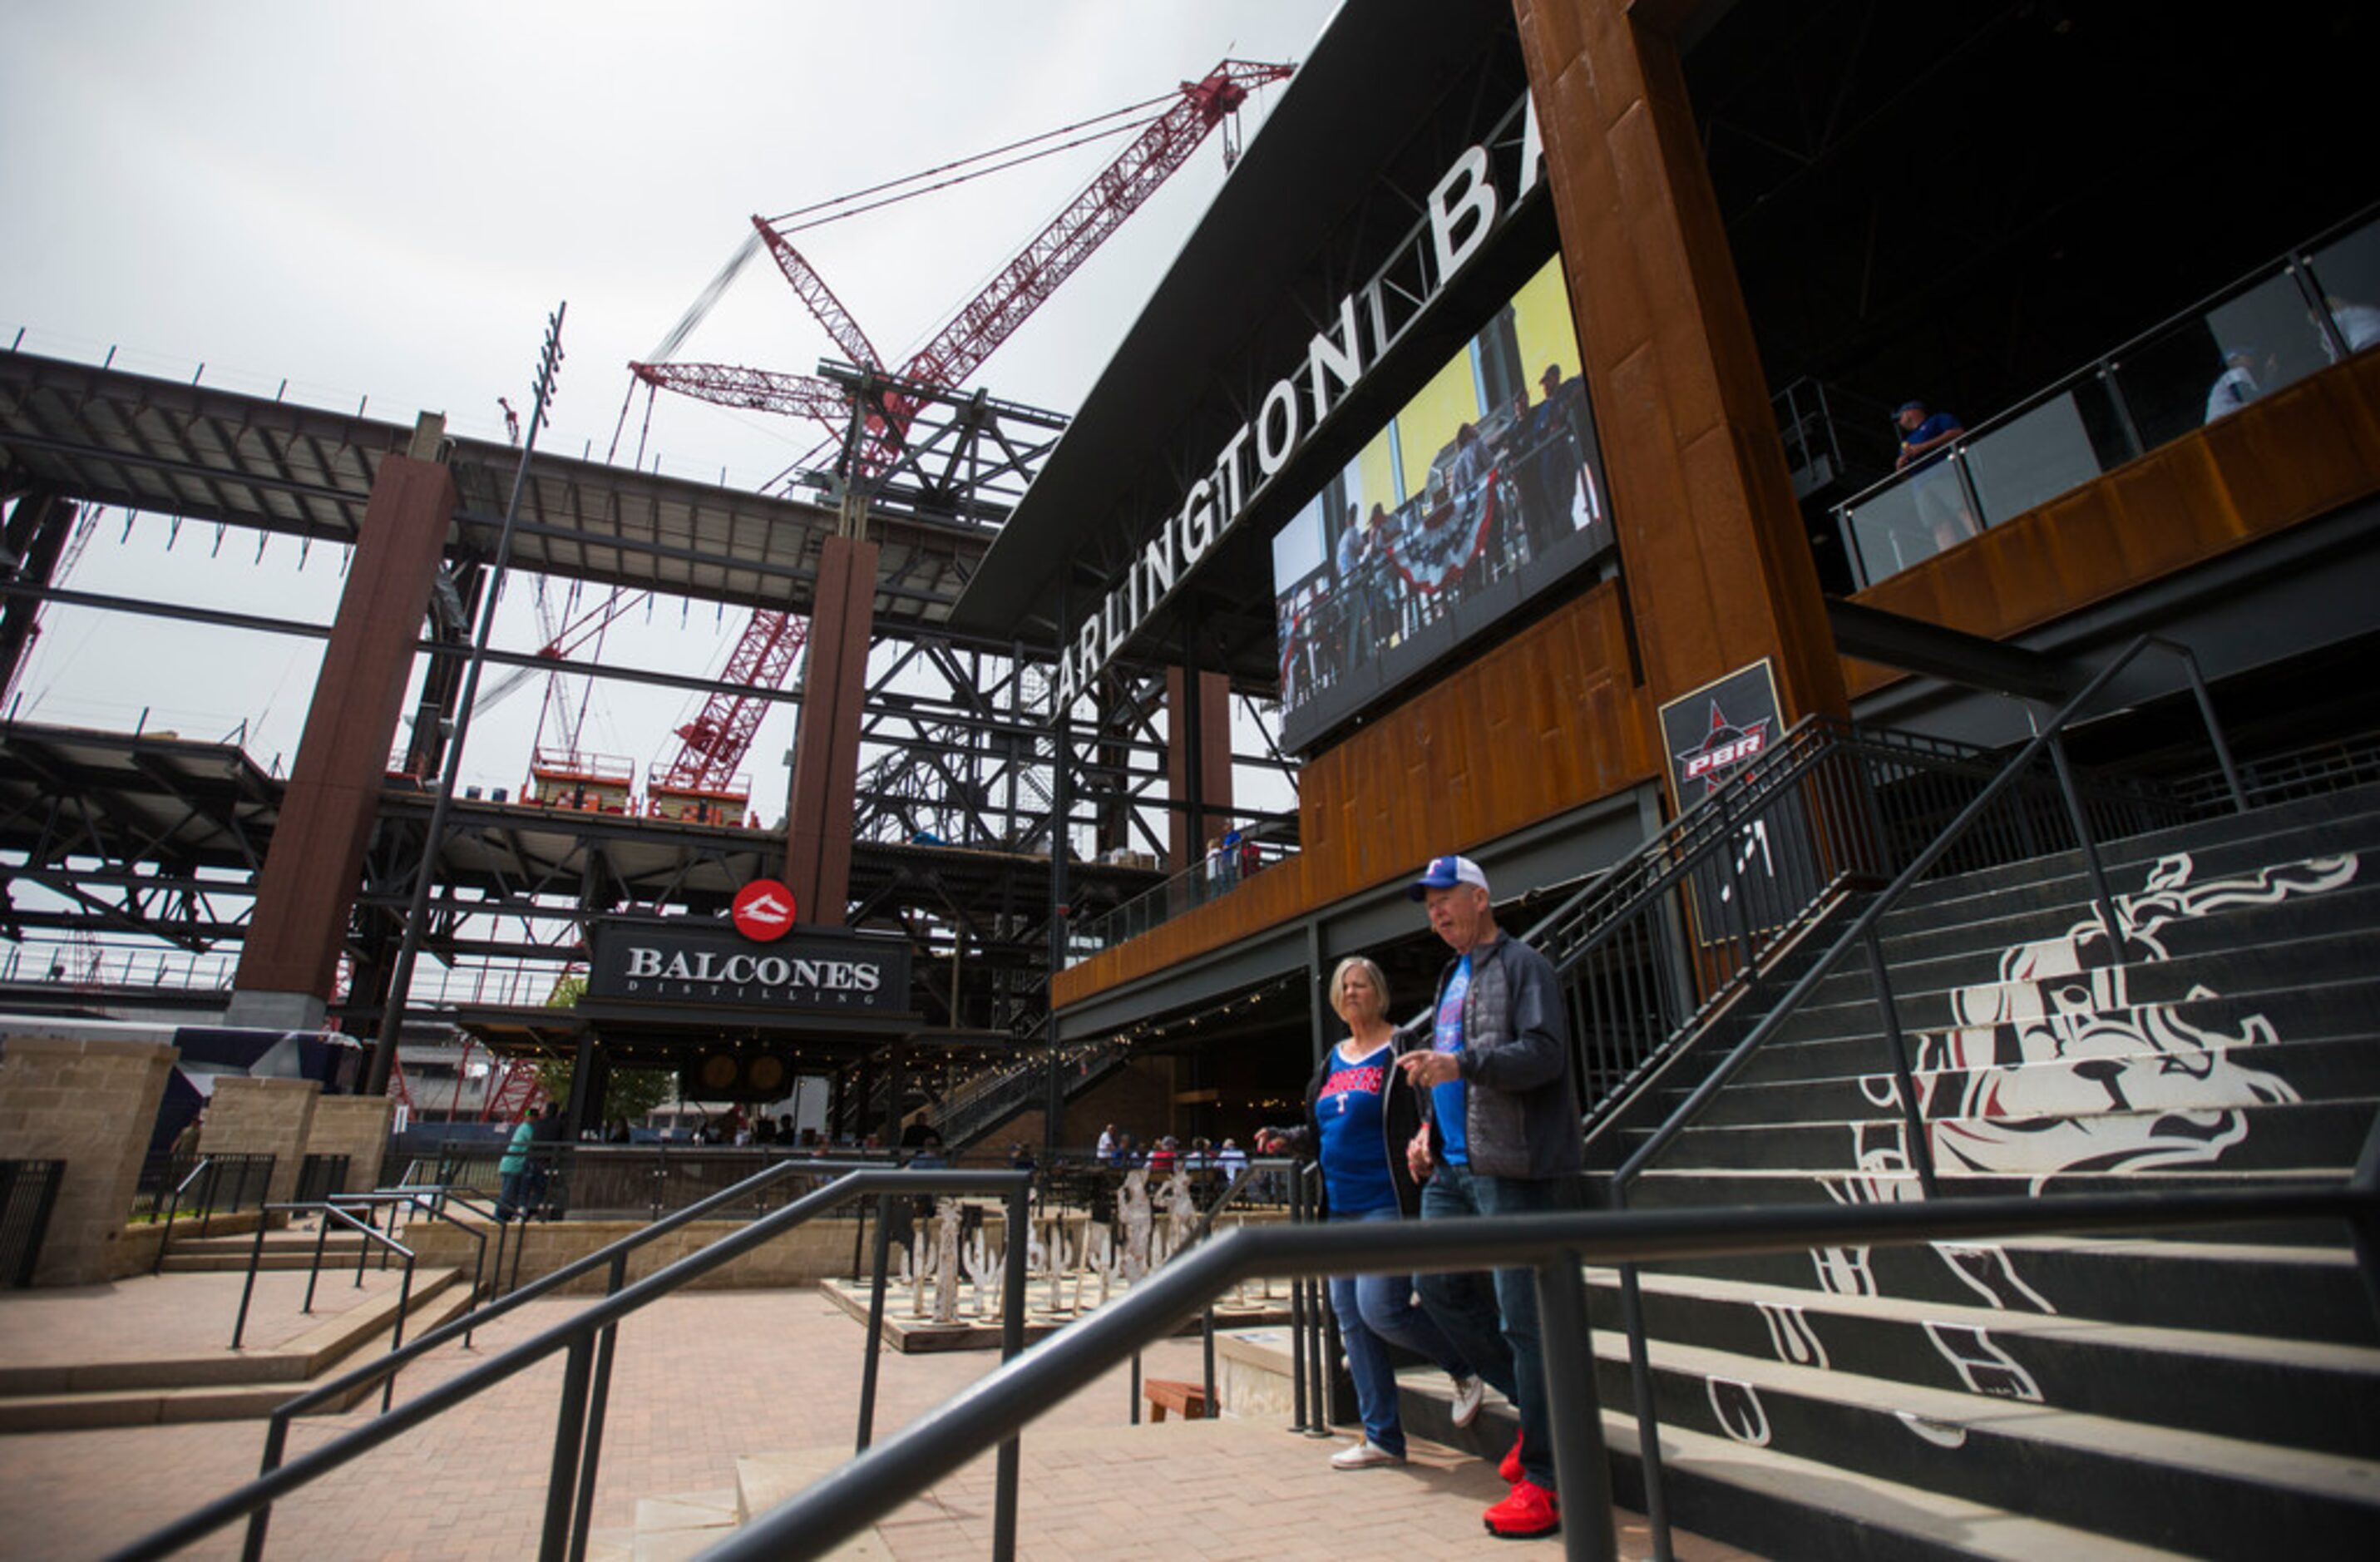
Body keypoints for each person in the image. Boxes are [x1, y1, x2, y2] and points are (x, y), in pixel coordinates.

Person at [1395, 853, 1581, 1540]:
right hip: (1450, 1168)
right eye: (1428, 905)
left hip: (1511, 1167)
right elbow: (1451, 1074)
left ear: (1479, 897)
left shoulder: (1523, 965)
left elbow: (1544, 1055)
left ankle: (1550, 1479)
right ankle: (1536, 1419)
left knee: (1525, 1321)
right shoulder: (1451, 978)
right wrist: (1425, 1126)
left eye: (1445, 900)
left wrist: (1461, 1065)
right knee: (1435, 1286)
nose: (1436, 913)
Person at [1255, 956, 1485, 1471]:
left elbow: (1429, 1104)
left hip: (1387, 1201)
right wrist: (1287, 1138)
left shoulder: (1400, 1047)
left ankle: (1465, 1364)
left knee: (1382, 1309)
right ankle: (1382, 1436)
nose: (1352, 992)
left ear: (1379, 993)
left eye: (1361, 984)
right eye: (1345, 986)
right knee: (1352, 1322)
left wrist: (1428, 1137)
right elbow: (1322, 1132)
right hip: (1339, 1209)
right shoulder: (1331, 1062)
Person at [1893, 399, 1976, 551]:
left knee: (1962, 508)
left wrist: (1923, 447)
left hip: (1943, 474)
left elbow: (1957, 433)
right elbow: (1904, 478)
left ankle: (1979, 535)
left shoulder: (1937, 420)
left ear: (1911, 411)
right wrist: (1900, 467)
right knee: (1937, 524)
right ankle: (1949, 553)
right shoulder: (1907, 442)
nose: (1899, 422)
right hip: (1920, 486)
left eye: (1901, 417)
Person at [2205, 347, 2261, 423]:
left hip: (2223, 423)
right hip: (2221, 423)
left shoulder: (2228, 377)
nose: (2250, 357)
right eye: (2245, 355)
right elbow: (2246, 396)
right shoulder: (2236, 373)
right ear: (2234, 361)